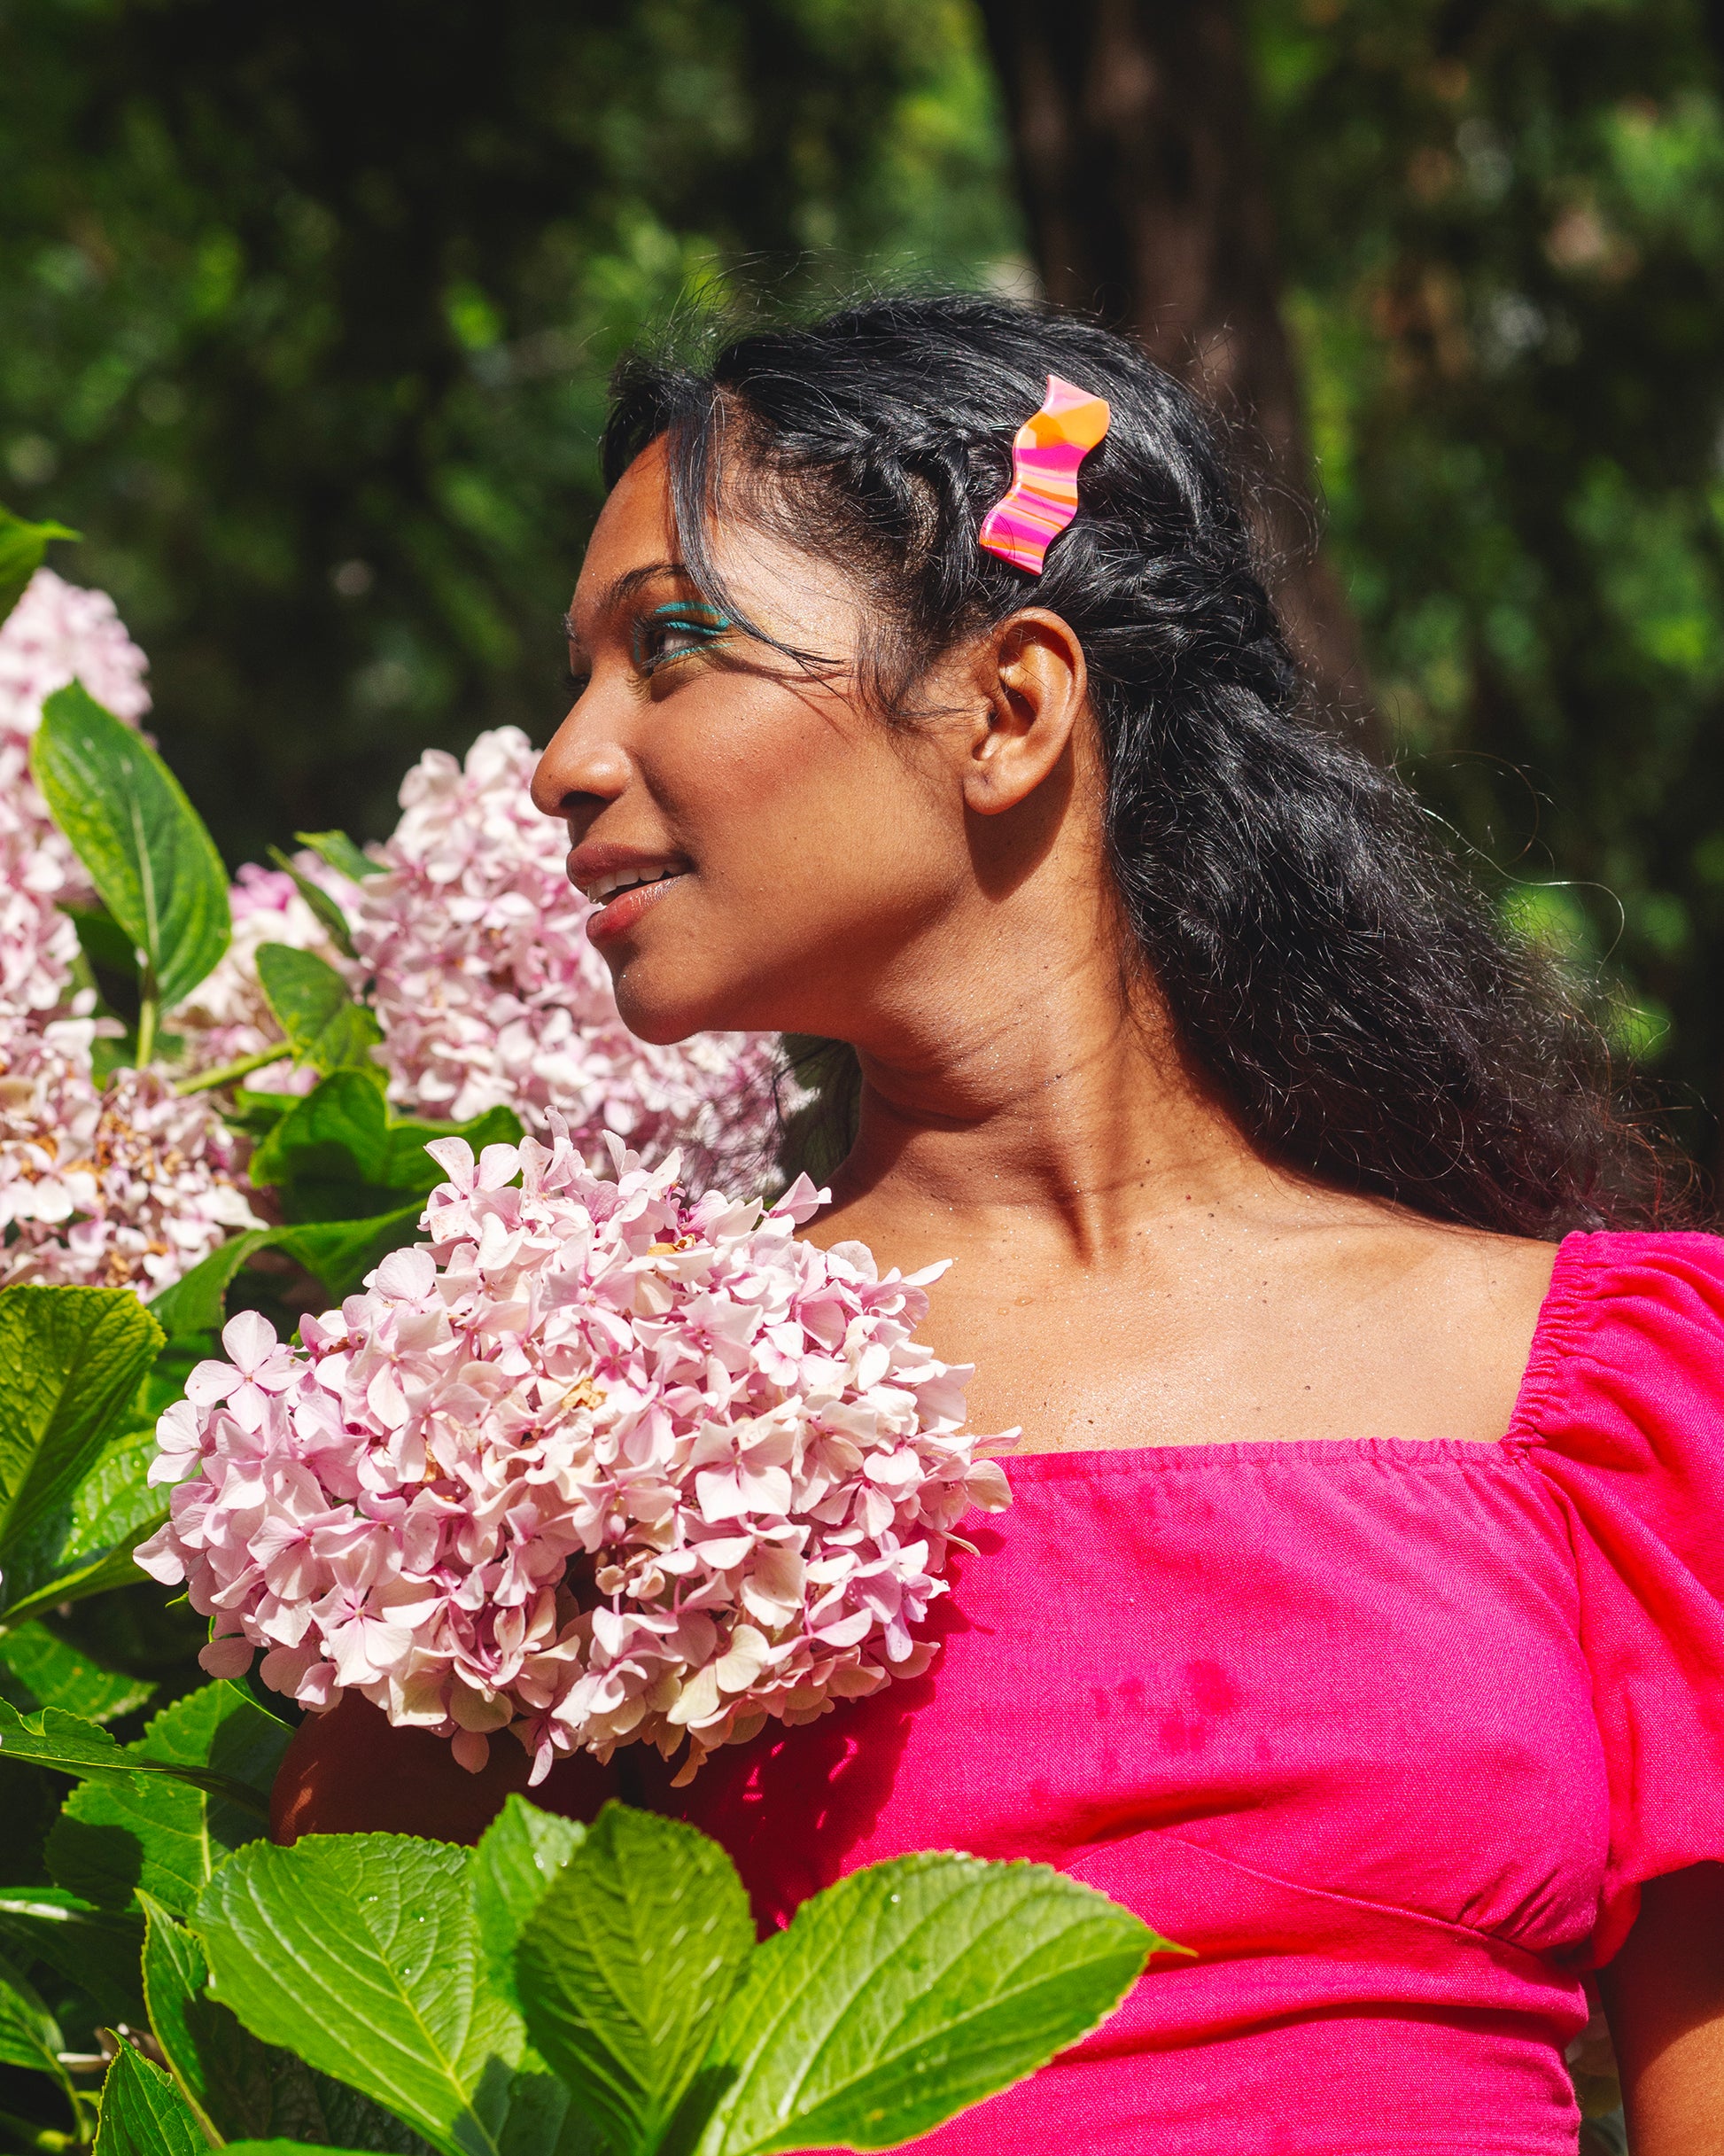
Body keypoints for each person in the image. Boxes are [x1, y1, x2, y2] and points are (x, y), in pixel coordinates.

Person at [276, 296, 1724, 2154]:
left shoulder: (1623, 1394)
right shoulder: (594, 1422)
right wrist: (482, 1539)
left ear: (1007, 705)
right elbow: (341, 2008)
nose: (562, 757)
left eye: (670, 647)